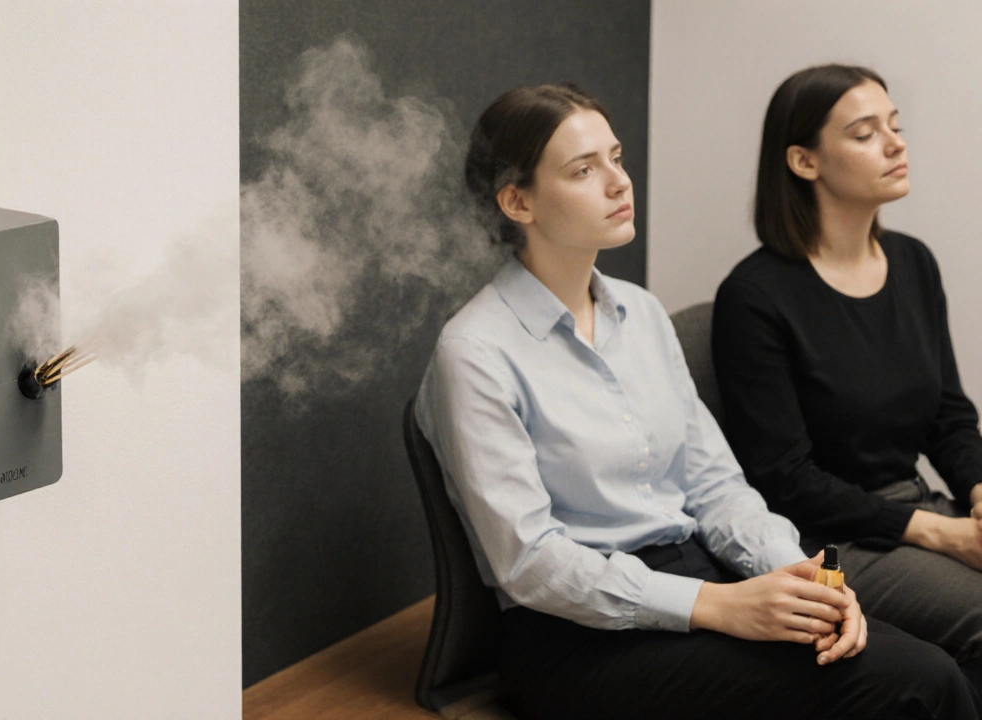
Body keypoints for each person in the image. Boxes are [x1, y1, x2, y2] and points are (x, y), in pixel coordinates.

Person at [416, 82, 978, 720]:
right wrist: (714, 606)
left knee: (911, 660)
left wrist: (803, 577)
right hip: (577, 635)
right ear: (518, 201)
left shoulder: (641, 312)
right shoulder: (475, 351)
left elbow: (716, 487)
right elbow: (532, 564)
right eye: (583, 169)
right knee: (917, 682)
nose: (619, 182)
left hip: (701, 575)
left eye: (617, 158)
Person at [712, 63, 982, 693]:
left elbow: (948, 414)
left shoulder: (913, 262)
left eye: (895, 126)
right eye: (865, 133)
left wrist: (977, 489)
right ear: (804, 162)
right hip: (828, 542)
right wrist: (943, 534)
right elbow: (786, 477)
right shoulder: (755, 297)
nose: (895, 144)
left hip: (920, 511)